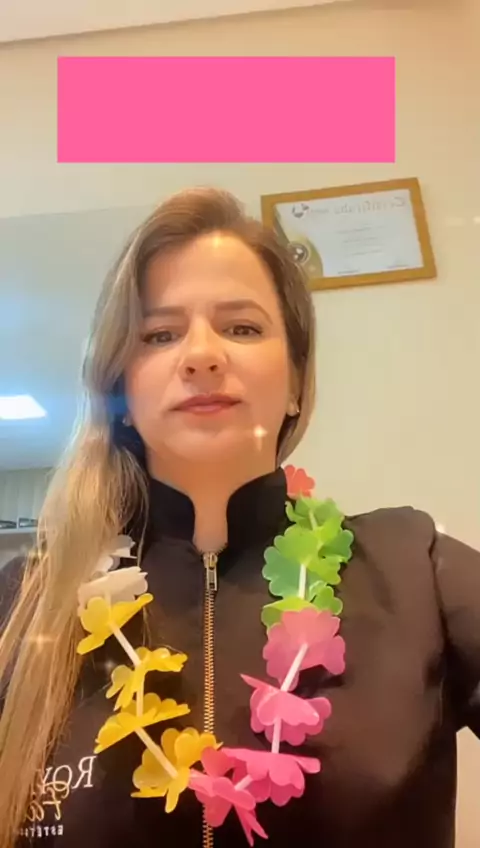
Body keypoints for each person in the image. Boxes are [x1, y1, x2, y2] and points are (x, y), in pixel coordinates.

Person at [0, 187, 479, 848]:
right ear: (122, 388)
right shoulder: (22, 601)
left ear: (296, 382)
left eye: (242, 328)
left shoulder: (417, 568)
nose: (201, 354)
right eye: (160, 334)